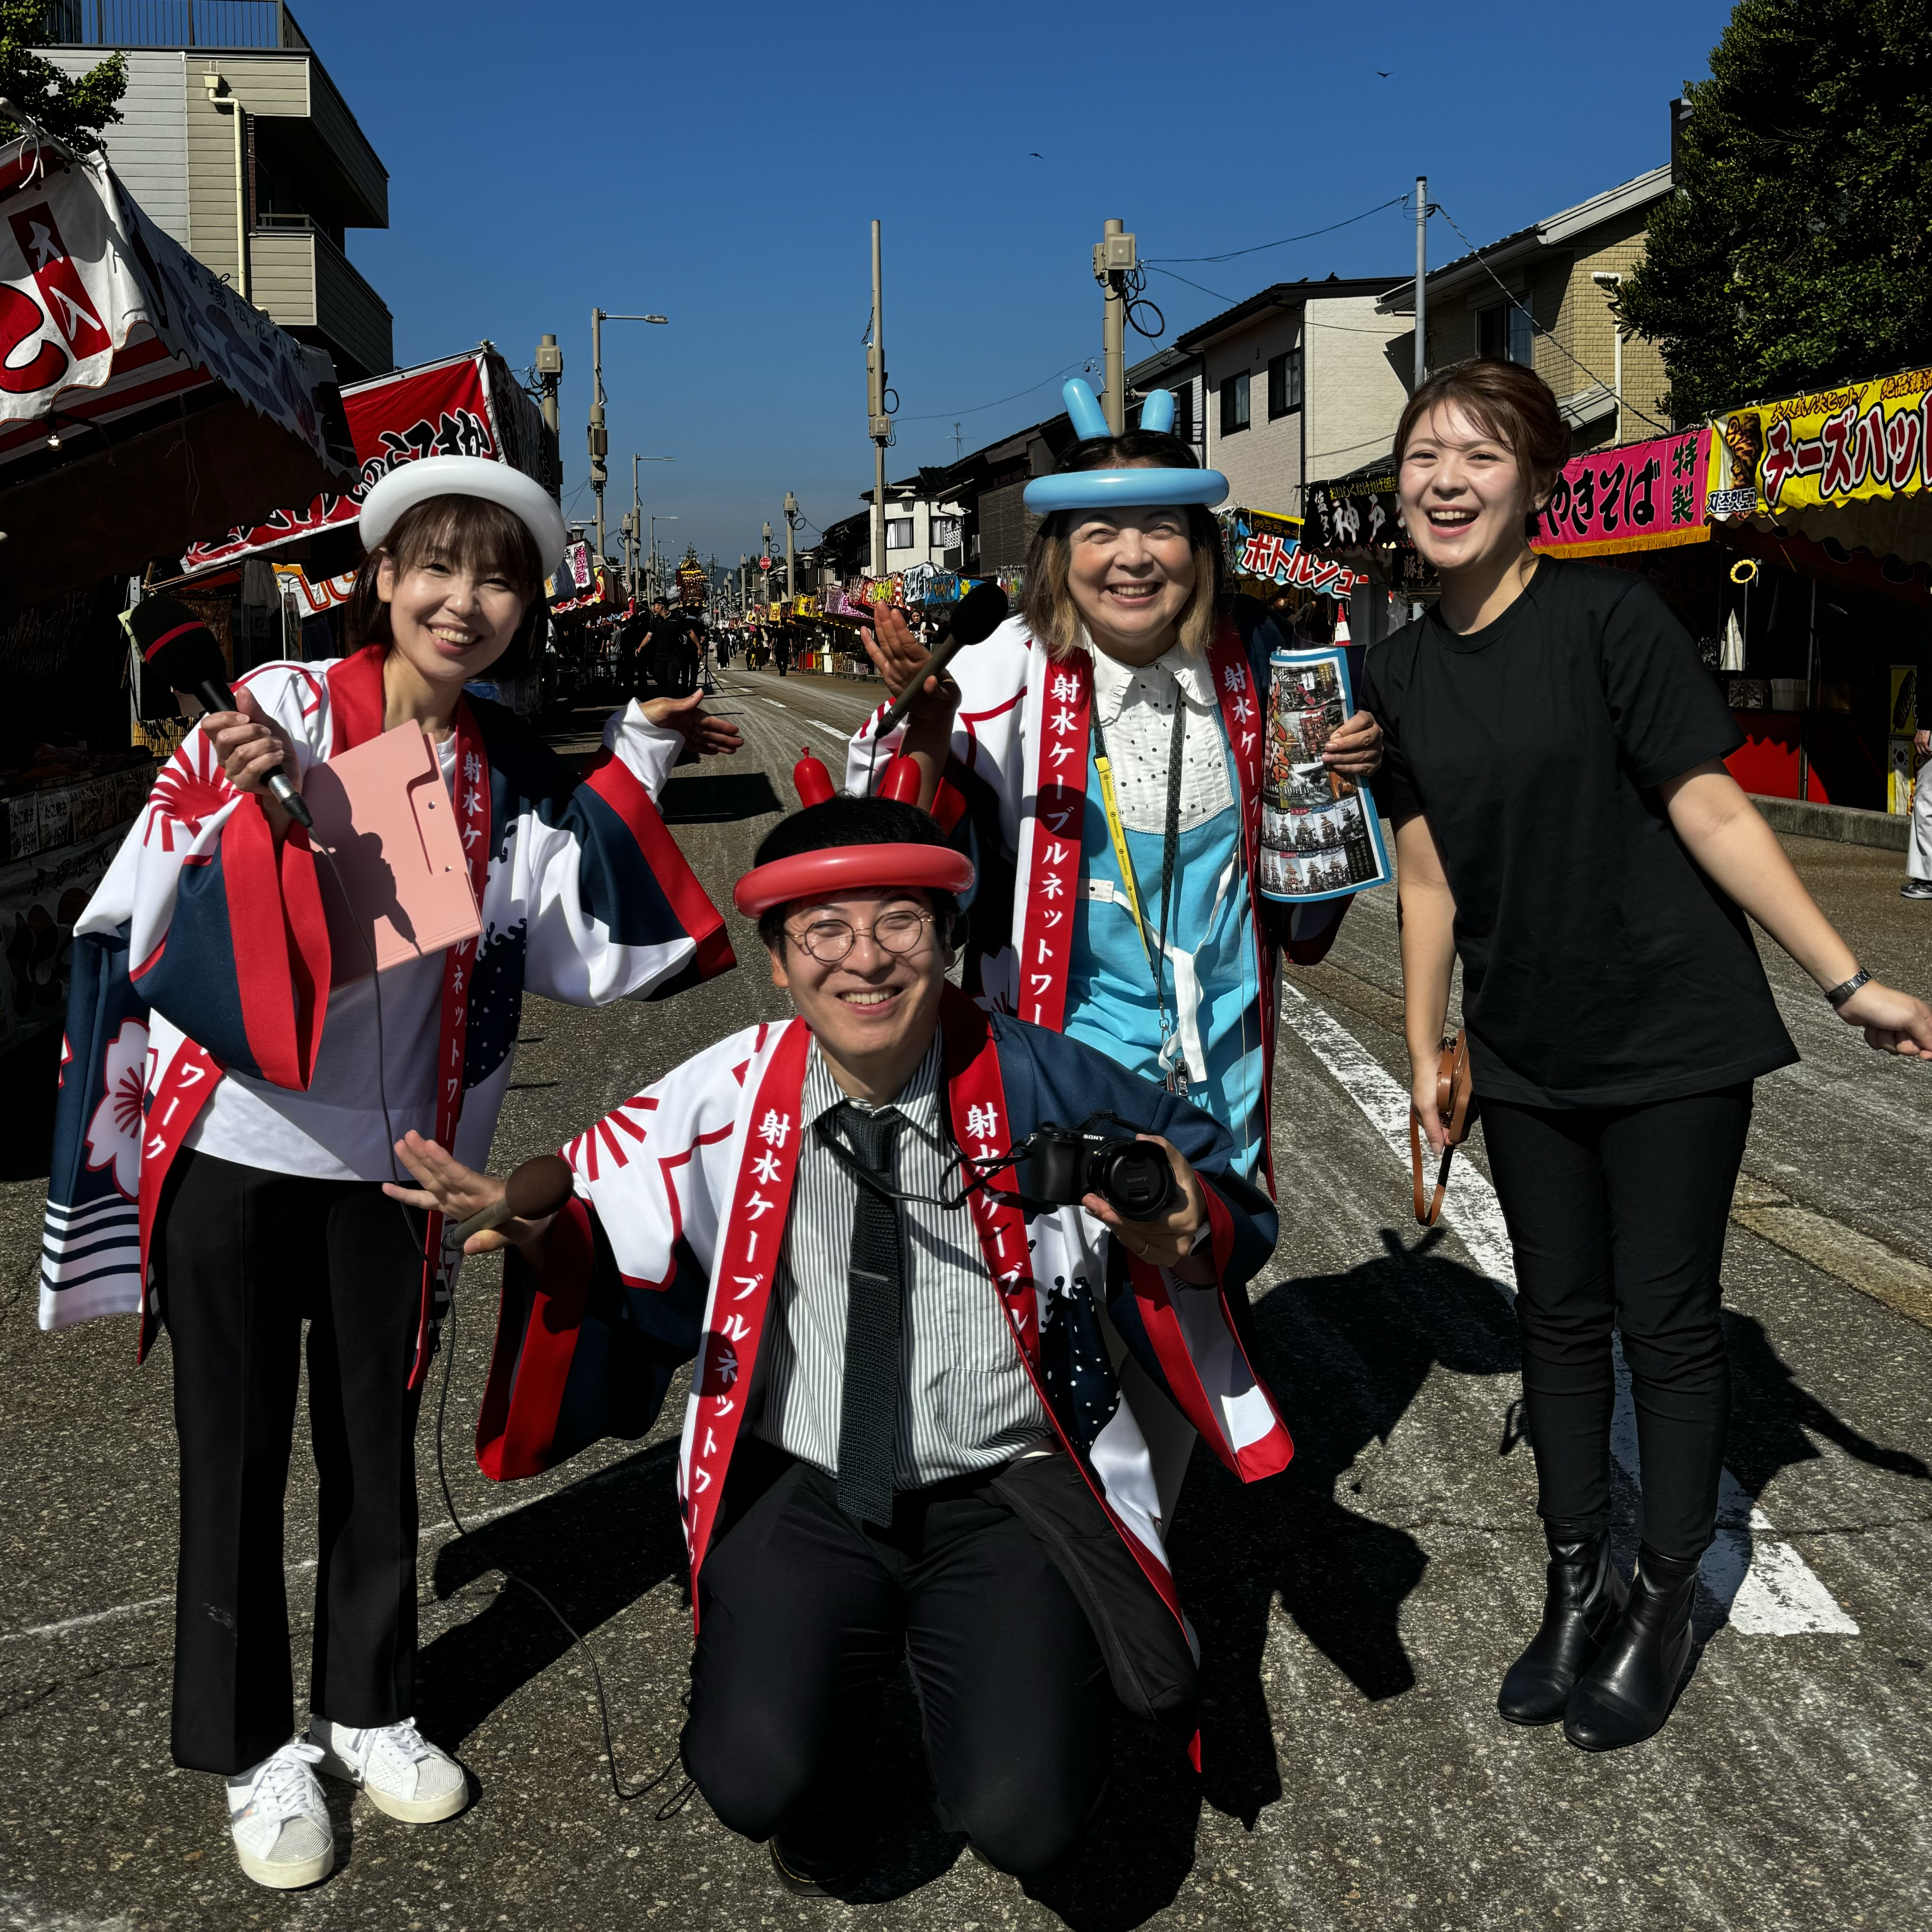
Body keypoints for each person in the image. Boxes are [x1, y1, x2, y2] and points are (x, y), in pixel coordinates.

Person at [39, 456, 742, 1889]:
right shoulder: (289, 708)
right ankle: (250, 1753)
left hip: (402, 1167)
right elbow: (153, 892)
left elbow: (580, 932)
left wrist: (649, 750)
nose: (463, 601)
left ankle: (370, 1705)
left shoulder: (508, 768)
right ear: (377, 580)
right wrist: (233, 796)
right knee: (231, 1452)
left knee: (373, 1441)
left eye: (497, 577)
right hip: (236, 1149)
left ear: (527, 607)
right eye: (436, 567)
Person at [392, 779, 1291, 1895]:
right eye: (823, 928)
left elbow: (1227, 1202)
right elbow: (606, 1218)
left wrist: (1179, 1219)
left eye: (899, 920)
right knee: (752, 1777)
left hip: (1004, 1484)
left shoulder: (1047, 1081)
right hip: (809, 1480)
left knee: (1031, 1820)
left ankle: (998, 1688)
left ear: (950, 941)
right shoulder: (724, 1087)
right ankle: (828, 1714)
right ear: (776, 958)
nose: (862, 958)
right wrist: (541, 1228)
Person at [1362, 359, 1932, 1752]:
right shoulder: (1393, 670)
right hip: (1527, 1043)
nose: (1445, 480)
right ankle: (1578, 1586)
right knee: (1557, 1315)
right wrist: (1433, 1037)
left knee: (1665, 1320)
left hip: (1671, 1028)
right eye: (1425, 455)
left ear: (1538, 484)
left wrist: (1845, 974)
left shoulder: (1612, 620)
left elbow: (1708, 804)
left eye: (1480, 457)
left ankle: (1667, 1594)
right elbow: (1425, 874)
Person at [851, 380, 1381, 1187]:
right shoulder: (996, 675)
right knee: (1070, 1286)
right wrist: (926, 730)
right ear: (1059, 554)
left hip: (1224, 1059)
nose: (1133, 558)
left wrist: (1346, 776)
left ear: (1199, 548)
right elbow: (892, 861)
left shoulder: (1266, 661)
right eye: (1100, 531)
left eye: (1162, 529)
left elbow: (1303, 889)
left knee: (1208, 1277)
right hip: (1061, 1062)